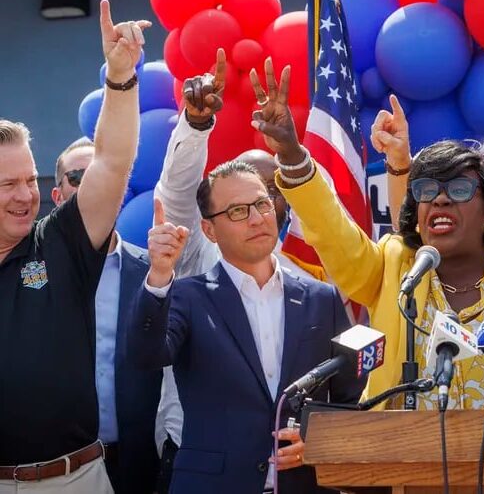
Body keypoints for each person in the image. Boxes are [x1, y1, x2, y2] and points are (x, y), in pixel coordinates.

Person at [248, 58, 484, 410]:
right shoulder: (392, 268)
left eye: (458, 189)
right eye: (426, 189)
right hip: (399, 460)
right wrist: (291, 154)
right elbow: (331, 230)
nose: (439, 198)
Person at [127, 160, 365, 494]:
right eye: (238, 211)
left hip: (304, 484)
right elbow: (145, 356)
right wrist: (159, 276)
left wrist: (319, 439)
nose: (256, 219)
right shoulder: (185, 295)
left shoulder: (321, 298)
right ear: (209, 230)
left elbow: (350, 396)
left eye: (262, 204)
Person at [0, 0, 149, 493]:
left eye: (30, 179)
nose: (27, 195)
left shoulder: (59, 243)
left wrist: (121, 78)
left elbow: (110, 161)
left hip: (76, 479)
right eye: (7, 185)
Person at [152, 50, 313, 494]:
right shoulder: (199, 255)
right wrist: (197, 123)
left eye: (268, 194)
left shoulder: (311, 276)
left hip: (299, 472)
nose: (261, 210)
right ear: (213, 222)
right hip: (206, 469)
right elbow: (179, 194)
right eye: (237, 205)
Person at [51, 137, 161, 494]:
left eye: (104, 176)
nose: (93, 186)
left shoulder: (154, 272)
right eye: (79, 176)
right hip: (58, 467)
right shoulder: (30, 272)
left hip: (141, 464)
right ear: (57, 196)